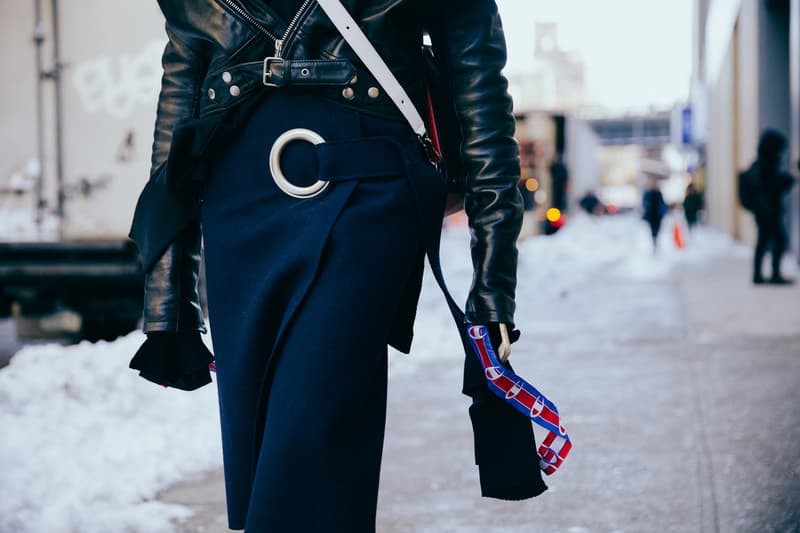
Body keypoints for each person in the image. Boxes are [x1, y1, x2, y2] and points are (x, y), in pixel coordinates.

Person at [126, 1, 545, 530]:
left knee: (308, 455)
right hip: (237, 210)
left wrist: (493, 286)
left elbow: (481, 95)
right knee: (266, 462)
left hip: (364, 195)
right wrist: (168, 297)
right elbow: (180, 99)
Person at [742, 130, 796, 284]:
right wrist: (787, 180)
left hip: (766, 211)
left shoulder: (764, 164)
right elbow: (772, 185)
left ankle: (764, 274)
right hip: (767, 212)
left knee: (767, 241)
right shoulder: (765, 165)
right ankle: (771, 275)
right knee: (775, 241)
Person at [642, 178, 668, 251]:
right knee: (652, 229)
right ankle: (654, 241)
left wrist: (663, 212)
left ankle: (656, 240)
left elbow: (662, 204)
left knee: (657, 229)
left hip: (658, 215)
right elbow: (644, 204)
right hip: (651, 215)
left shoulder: (659, 193)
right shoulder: (647, 193)